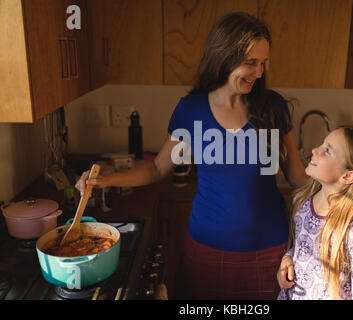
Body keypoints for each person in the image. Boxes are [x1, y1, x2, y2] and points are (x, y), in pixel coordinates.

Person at [75, 12, 306, 299]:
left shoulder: (273, 107)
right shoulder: (191, 110)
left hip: (270, 249)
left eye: (263, 63)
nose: (259, 73)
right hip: (208, 247)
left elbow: (297, 175)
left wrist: (341, 192)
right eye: (250, 63)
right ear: (224, 57)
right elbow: (157, 169)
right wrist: (105, 180)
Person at [277, 126, 353, 300]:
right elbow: (301, 249)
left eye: (327, 150)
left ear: (347, 176)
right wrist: (287, 259)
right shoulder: (302, 202)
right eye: (322, 145)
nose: (314, 150)